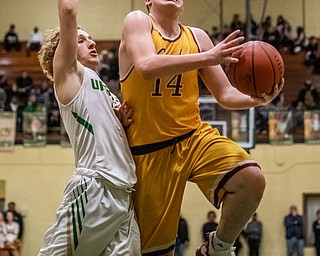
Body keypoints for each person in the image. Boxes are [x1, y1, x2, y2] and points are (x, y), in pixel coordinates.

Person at [119, 0, 283, 255]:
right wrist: (209, 56)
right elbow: (147, 67)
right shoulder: (138, 21)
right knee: (157, 251)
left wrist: (257, 99)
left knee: (250, 179)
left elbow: (226, 93)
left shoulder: (198, 37)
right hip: (149, 149)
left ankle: (217, 248)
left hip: (193, 137)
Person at [37, 0, 140, 255]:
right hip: (95, 188)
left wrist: (120, 123)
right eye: (81, 40)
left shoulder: (102, 90)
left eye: (90, 38)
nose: (92, 43)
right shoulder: (70, 76)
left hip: (124, 195)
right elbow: (68, 10)